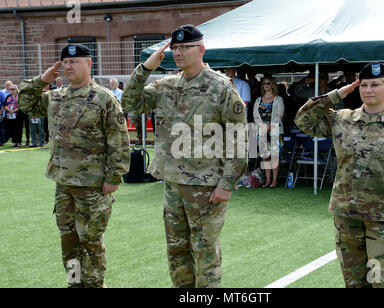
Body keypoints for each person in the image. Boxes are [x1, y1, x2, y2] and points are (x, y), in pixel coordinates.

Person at [122, 24, 248, 288]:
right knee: (177, 253)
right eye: (175, 48)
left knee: (205, 253)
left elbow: (239, 139)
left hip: (206, 186)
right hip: (172, 185)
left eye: (184, 48)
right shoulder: (165, 86)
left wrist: (227, 185)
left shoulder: (222, 88)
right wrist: (145, 70)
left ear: (200, 50)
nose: (177, 53)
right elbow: (130, 104)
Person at [295, 62, 384, 288]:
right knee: (354, 282)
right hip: (347, 216)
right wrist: (337, 94)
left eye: (375, 85)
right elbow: (304, 119)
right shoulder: (342, 119)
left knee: (381, 281)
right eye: (363, 85)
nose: (368, 90)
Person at [18, 43, 130, 288]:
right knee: (68, 242)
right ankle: (74, 284)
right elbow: (25, 103)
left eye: (74, 62)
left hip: (92, 186)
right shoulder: (56, 97)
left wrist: (113, 178)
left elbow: (119, 141)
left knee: (90, 242)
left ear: (89, 64)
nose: (68, 66)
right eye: (65, 62)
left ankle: (95, 285)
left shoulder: (103, 98)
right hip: (64, 185)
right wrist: (42, 80)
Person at [253, 75, 284, 187]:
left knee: (274, 156)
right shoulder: (258, 100)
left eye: (268, 83)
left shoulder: (278, 99)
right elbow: (255, 115)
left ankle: (274, 180)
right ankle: (267, 180)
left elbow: (279, 114)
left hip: (274, 129)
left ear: (272, 85)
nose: (266, 85)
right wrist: (262, 126)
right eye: (264, 83)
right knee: (265, 156)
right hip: (261, 130)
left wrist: (270, 126)